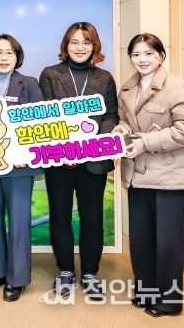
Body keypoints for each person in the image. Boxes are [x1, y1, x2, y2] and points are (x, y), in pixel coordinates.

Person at [113, 33, 184, 318]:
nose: (142, 59)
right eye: (136, 54)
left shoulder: (178, 88)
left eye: (148, 53)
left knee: (168, 243)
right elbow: (126, 120)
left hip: (171, 177)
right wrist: (121, 130)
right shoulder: (127, 89)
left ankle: (170, 302)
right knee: (141, 240)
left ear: (161, 55)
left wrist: (144, 143)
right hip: (138, 175)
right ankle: (147, 291)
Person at [38, 21, 118, 300]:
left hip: (93, 161)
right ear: (66, 45)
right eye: (74, 42)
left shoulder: (104, 78)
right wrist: (66, 149)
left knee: (92, 218)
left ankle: (90, 274)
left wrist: (92, 146)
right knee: (60, 216)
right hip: (60, 161)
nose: (80, 47)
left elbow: (110, 116)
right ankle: (65, 272)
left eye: (86, 42)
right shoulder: (50, 74)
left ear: (94, 46)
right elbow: (45, 115)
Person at [0, 34, 43, 302]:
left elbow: (39, 123)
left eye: (9, 53)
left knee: (18, 221)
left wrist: (26, 152)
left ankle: (17, 279)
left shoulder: (29, 84)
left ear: (17, 57)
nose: (3, 58)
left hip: (20, 166)